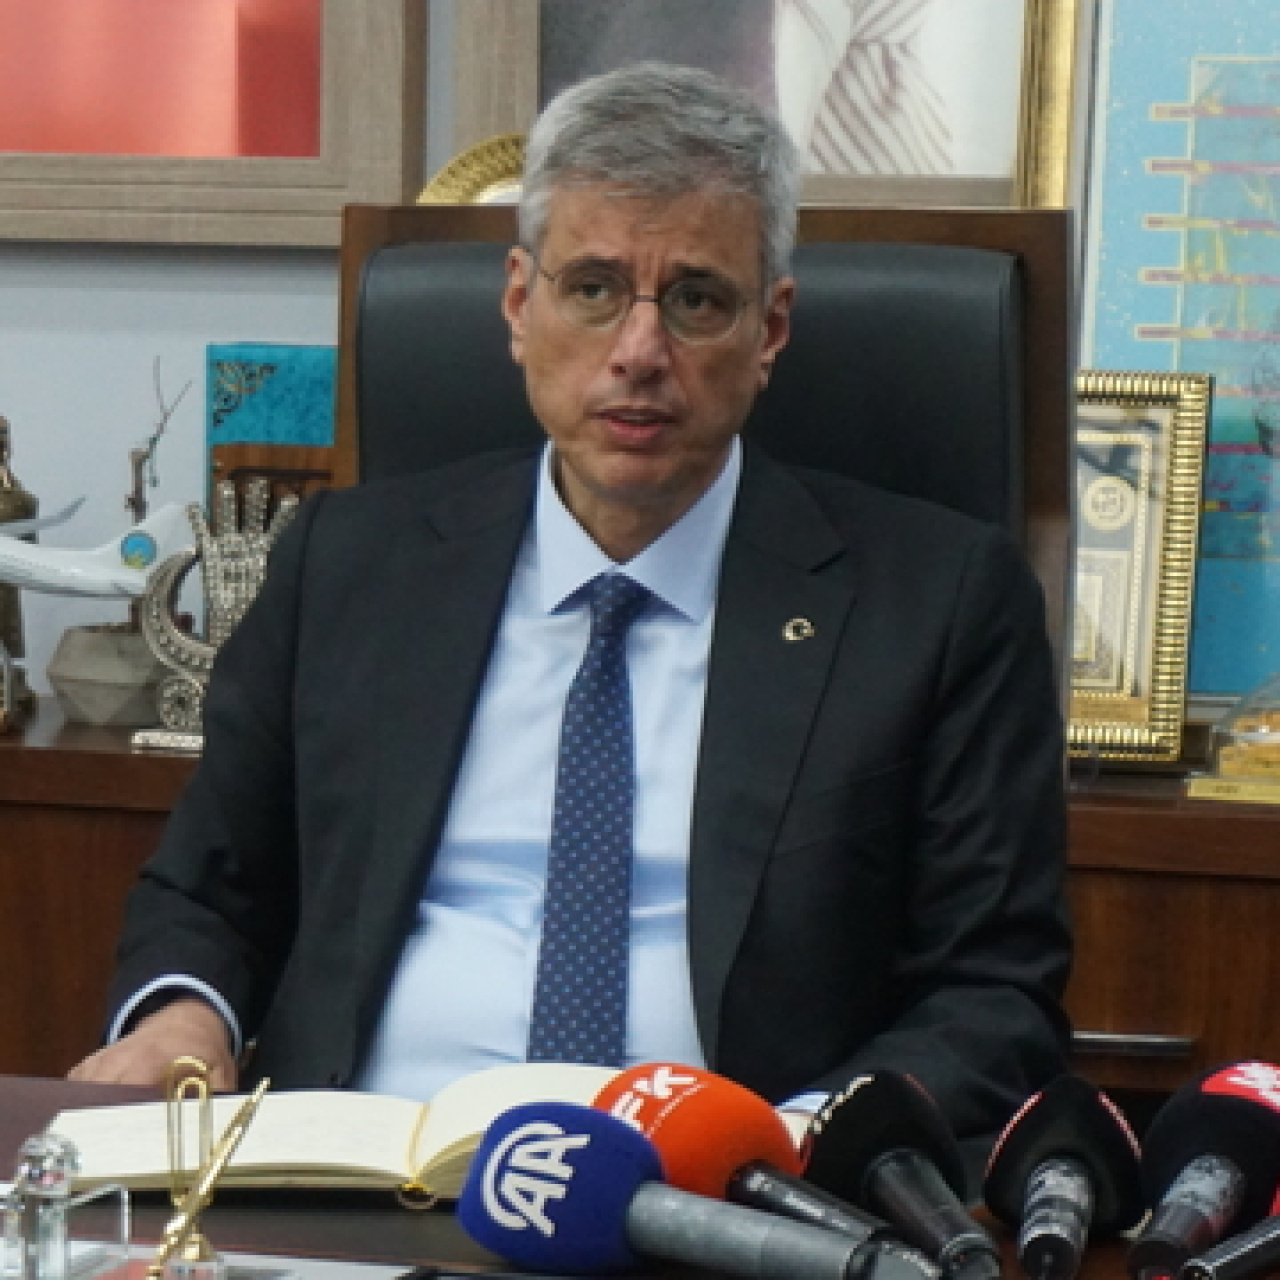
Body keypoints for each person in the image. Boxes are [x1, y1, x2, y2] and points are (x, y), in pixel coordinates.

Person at [71, 62, 1070, 1159]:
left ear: (771, 328)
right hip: (355, 1176)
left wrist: (787, 1147)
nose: (638, 353)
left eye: (696, 299)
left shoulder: (935, 605)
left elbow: (991, 994)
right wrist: (182, 1018)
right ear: (518, 304)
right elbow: (208, 886)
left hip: (721, 1195)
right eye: (593, 288)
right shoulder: (348, 565)